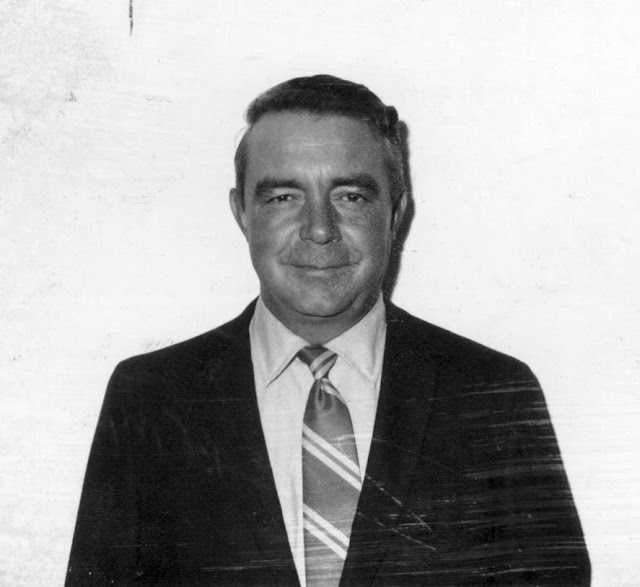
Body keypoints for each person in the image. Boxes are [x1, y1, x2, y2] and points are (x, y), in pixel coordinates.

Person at [66, 75, 590, 586]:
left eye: (351, 196)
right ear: (242, 213)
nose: (319, 229)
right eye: (283, 197)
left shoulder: (493, 393)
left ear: (396, 213)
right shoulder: (150, 399)